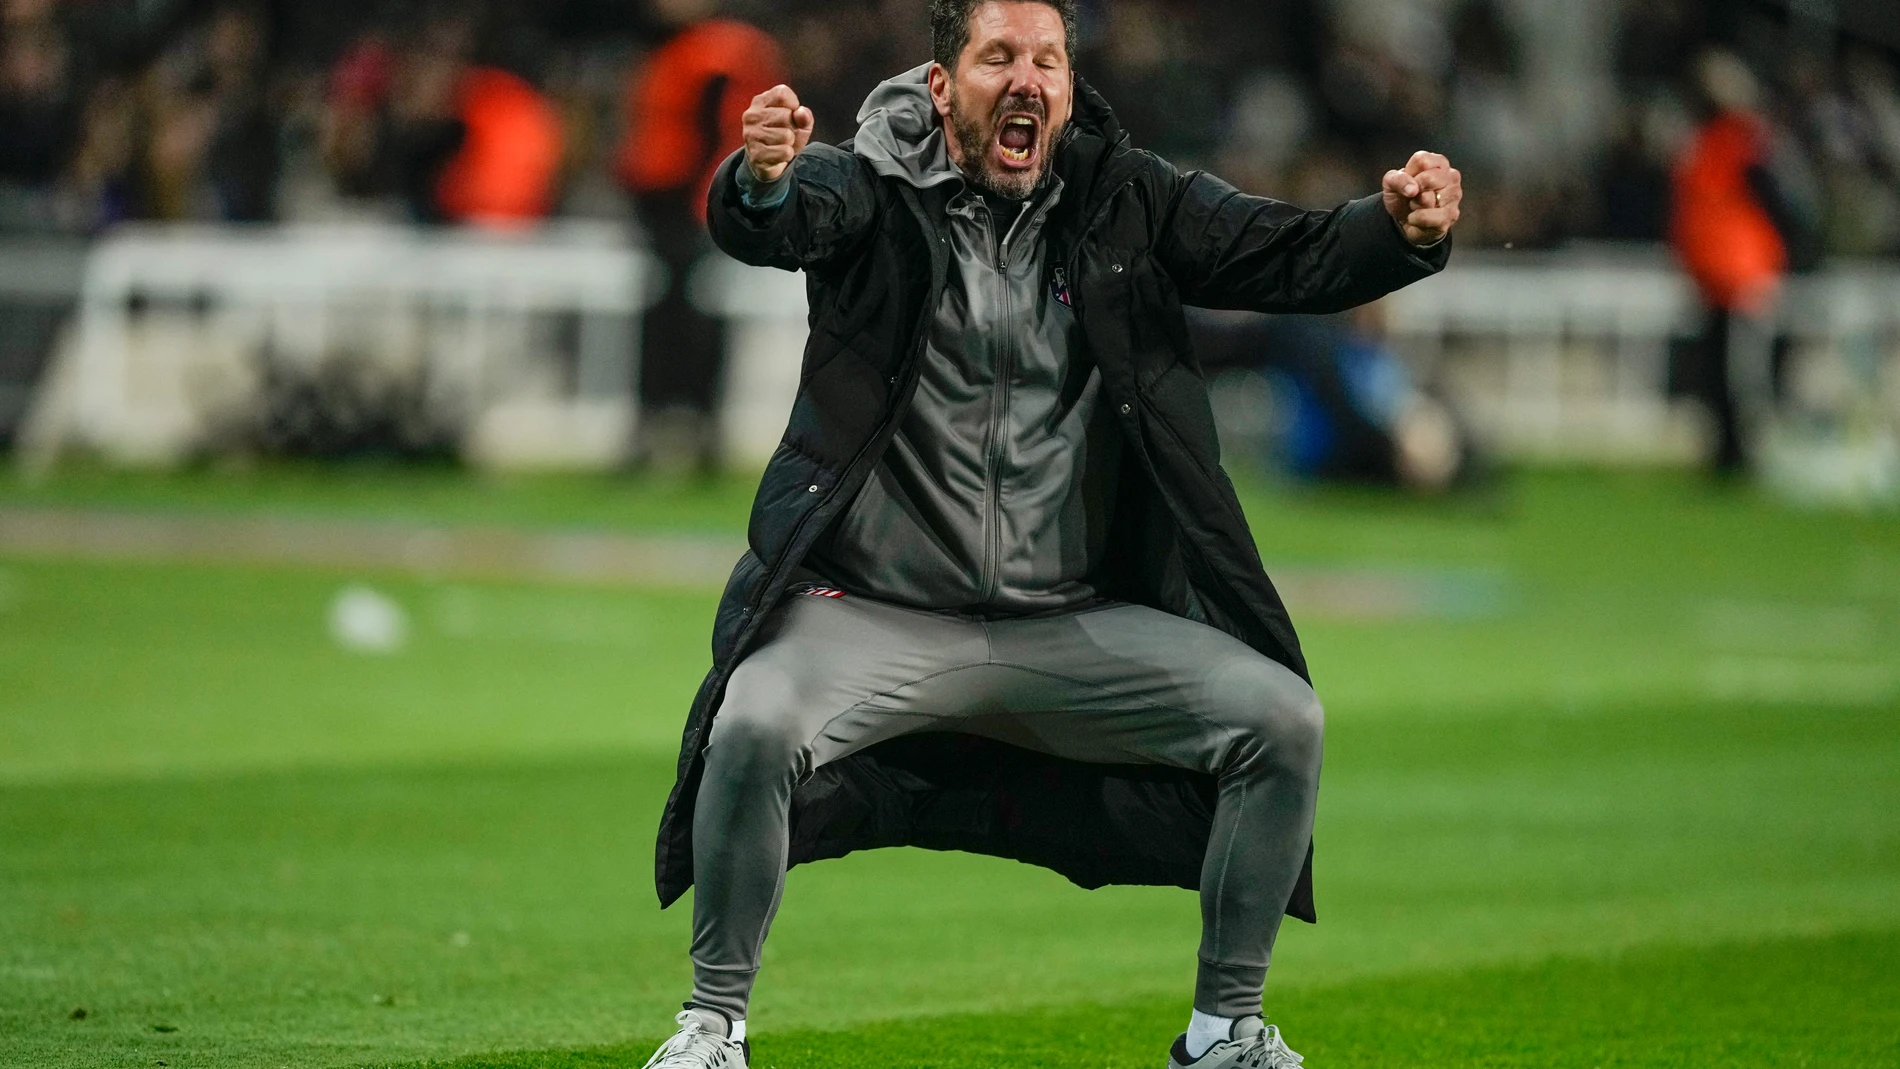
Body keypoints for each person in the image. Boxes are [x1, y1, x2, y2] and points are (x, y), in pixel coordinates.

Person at [642, 1, 1460, 1066]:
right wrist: (757, 179)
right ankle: (713, 1028)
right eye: (998, 58)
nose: (1026, 79)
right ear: (942, 88)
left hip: (1066, 628)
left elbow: (1281, 255)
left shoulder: (1125, 198)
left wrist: (1395, 230)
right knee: (749, 727)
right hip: (878, 620)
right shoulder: (868, 185)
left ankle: (1224, 1033)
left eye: (1048, 60)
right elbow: (777, 218)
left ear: (1069, 87)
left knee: (1281, 721)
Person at [616, 0, 784, 473]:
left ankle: (692, 427)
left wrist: (706, 197)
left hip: (695, 206)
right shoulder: (682, 50)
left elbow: (712, 133)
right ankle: (672, 427)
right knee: (670, 318)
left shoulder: (714, 51)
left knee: (690, 321)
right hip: (676, 205)